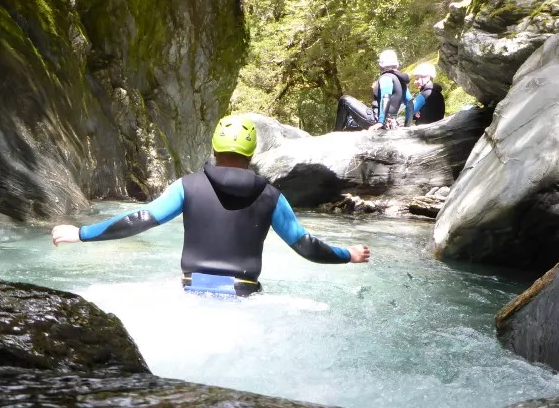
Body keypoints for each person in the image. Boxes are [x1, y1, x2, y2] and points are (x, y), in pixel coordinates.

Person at [51, 115, 371, 297]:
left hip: (190, 290)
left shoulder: (186, 186)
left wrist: (81, 233)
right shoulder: (272, 196)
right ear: (251, 154)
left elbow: (142, 218)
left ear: (214, 148)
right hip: (244, 294)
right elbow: (305, 246)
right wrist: (348, 255)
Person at [334, 49, 412, 132]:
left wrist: (381, 122)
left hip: (376, 119)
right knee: (349, 121)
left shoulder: (386, 78)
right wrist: (407, 125)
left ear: (381, 65)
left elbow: (386, 98)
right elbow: (410, 103)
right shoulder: (400, 80)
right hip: (391, 122)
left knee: (344, 100)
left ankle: (336, 133)